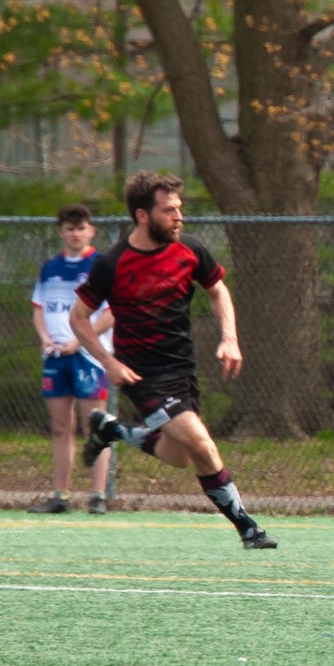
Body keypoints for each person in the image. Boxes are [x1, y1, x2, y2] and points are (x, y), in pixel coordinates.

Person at [73, 173, 272, 548]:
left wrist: (230, 338)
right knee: (202, 445)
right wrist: (108, 362)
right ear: (142, 215)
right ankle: (248, 528)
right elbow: (78, 319)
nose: (178, 217)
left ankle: (112, 430)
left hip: (181, 368)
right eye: (168, 210)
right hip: (141, 374)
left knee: (179, 456)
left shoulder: (189, 249)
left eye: (179, 209)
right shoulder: (113, 263)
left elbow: (217, 290)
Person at [30, 204, 114, 514]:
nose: (75, 234)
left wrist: (79, 341)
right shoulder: (50, 268)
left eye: (81, 228)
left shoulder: (101, 265)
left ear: (91, 231)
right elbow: (39, 309)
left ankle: (98, 495)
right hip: (55, 357)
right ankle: (60, 496)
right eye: (69, 228)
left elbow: (111, 313)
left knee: (95, 426)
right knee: (60, 426)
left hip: (89, 357)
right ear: (61, 232)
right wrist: (45, 338)